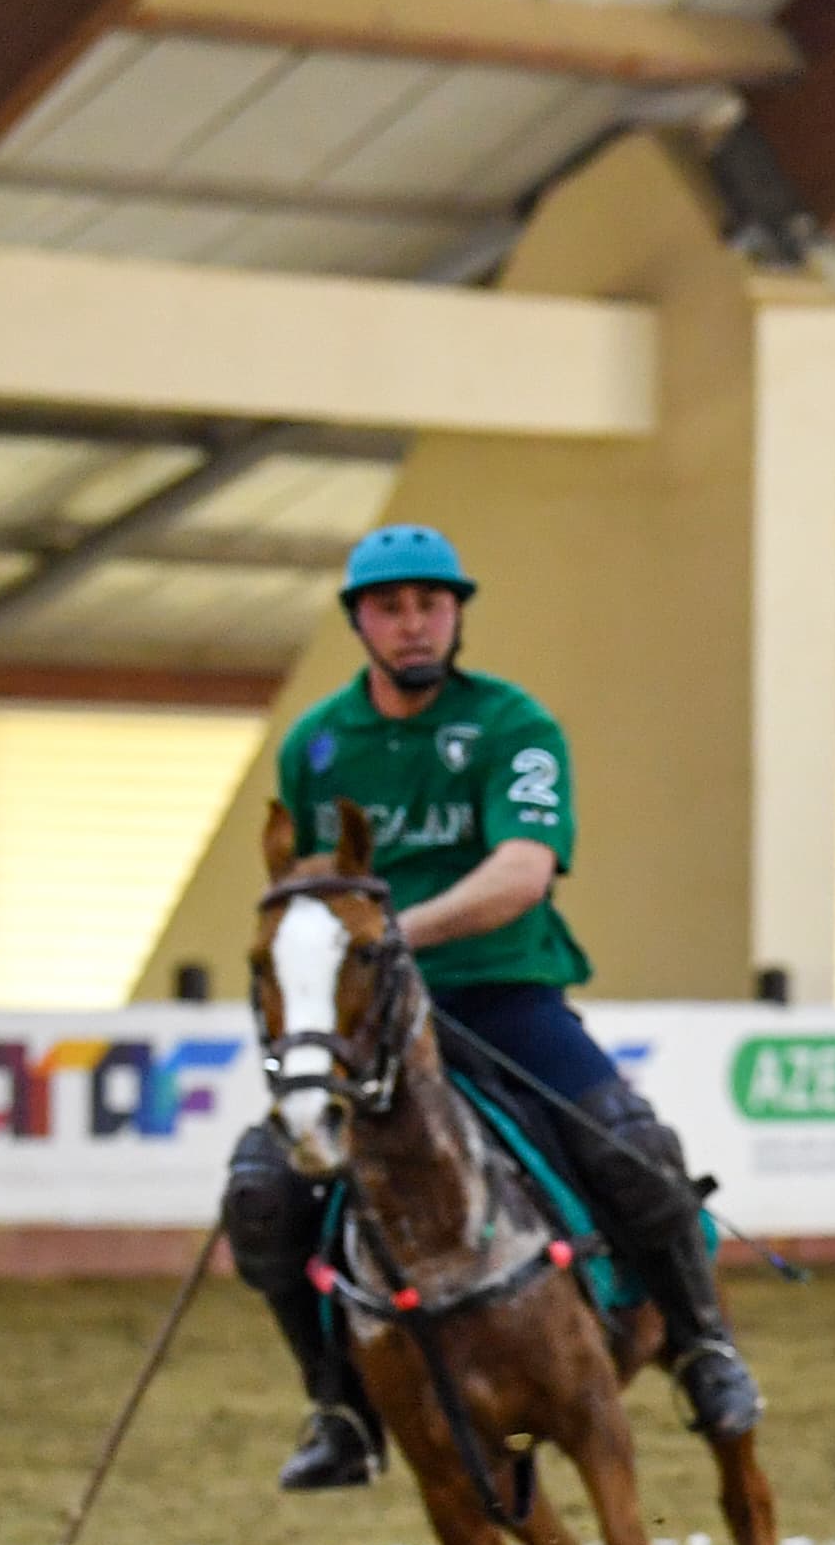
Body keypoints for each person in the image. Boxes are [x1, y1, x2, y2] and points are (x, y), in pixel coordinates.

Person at [223, 527, 762, 1489]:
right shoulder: (317, 745)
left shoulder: (515, 728)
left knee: (632, 1145)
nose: (413, 624)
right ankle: (338, 1407)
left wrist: (392, 937)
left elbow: (521, 872)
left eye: (431, 604)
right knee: (263, 1194)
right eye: (390, 608)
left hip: (501, 994)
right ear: (360, 623)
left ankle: (706, 1345)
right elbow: (305, 886)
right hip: (368, 1023)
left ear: (457, 614)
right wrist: (338, 966)